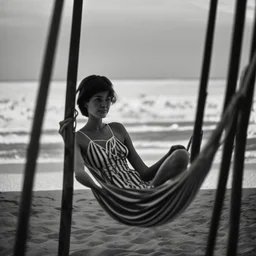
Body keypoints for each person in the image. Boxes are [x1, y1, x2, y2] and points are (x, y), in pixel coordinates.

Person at [59, 75, 190, 189]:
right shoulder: (78, 138)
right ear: (86, 102)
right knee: (181, 159)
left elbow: (145, 173)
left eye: (108, 99)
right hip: (124, 195)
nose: (104, 104)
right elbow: (79, 173)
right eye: (98, 99)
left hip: (146, 186)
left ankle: (159, 189)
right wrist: (100, 191)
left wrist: (169, 154)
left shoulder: (117, 129)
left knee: (181, 155)